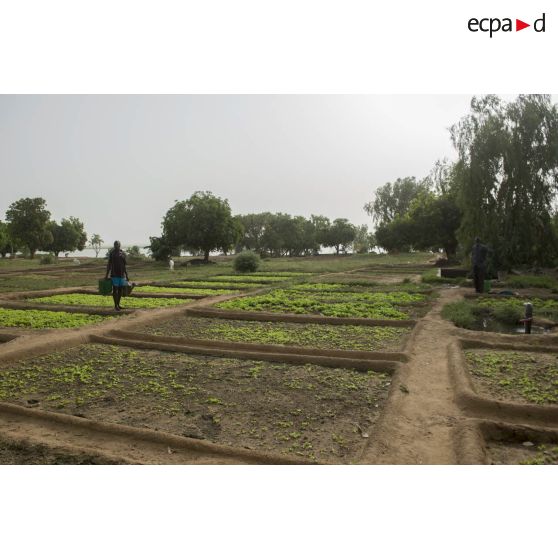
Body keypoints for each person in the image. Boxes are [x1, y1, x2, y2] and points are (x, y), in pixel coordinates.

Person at [105, 240, 129, 311]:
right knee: (115, 290)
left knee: (120, 290)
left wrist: (126, 275)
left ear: (119, 245)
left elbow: (124, 265)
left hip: (122, 275)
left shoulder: (122, 254)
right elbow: (109, 265)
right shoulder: (112, 254)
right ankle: (115, 305)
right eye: (115, 245)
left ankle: (118, 304)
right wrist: (106, 275)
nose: (116, 246)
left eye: (117, 245)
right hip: (114, 274)